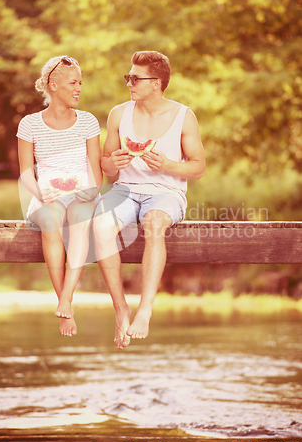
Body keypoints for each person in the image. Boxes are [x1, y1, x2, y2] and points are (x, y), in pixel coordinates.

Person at [94, 50, 205, 349]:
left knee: (154, 224)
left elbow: (198, 167)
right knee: (100, 227)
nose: (129, 82)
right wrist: (111, 163)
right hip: (125, 190)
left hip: (166, 194)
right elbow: (105, 163)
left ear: (156, 83)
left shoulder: (184, 115)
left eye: (135, 78)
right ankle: (121, 308)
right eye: (128, 77)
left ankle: (145, 309)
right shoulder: (119, 113)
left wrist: (168, 165)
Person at [17, 56, 102, 337]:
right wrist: (41, 192)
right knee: (52, 219)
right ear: (53, 85)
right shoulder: (29, 124)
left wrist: (91, 190)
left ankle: (66, 299)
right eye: (73, 82)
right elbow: (26, 173)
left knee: (79, 218)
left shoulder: (88, 121)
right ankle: (63, 301)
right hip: (45, 196)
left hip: (83, 195)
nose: (79, 88)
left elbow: (95, 169)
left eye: (81, 83)